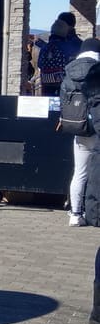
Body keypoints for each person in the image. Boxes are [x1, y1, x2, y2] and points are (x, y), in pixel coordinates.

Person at [61, 38, 100, 227]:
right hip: (97, 127)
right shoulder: (97, 69)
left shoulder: (70, 71)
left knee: (80, 172)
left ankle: (75, 214)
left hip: (78, 128)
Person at [38, 12, 82, 96]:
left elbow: (40, 64)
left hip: (46, 85)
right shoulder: (77, 44)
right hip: (67, 88)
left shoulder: (47, 46)